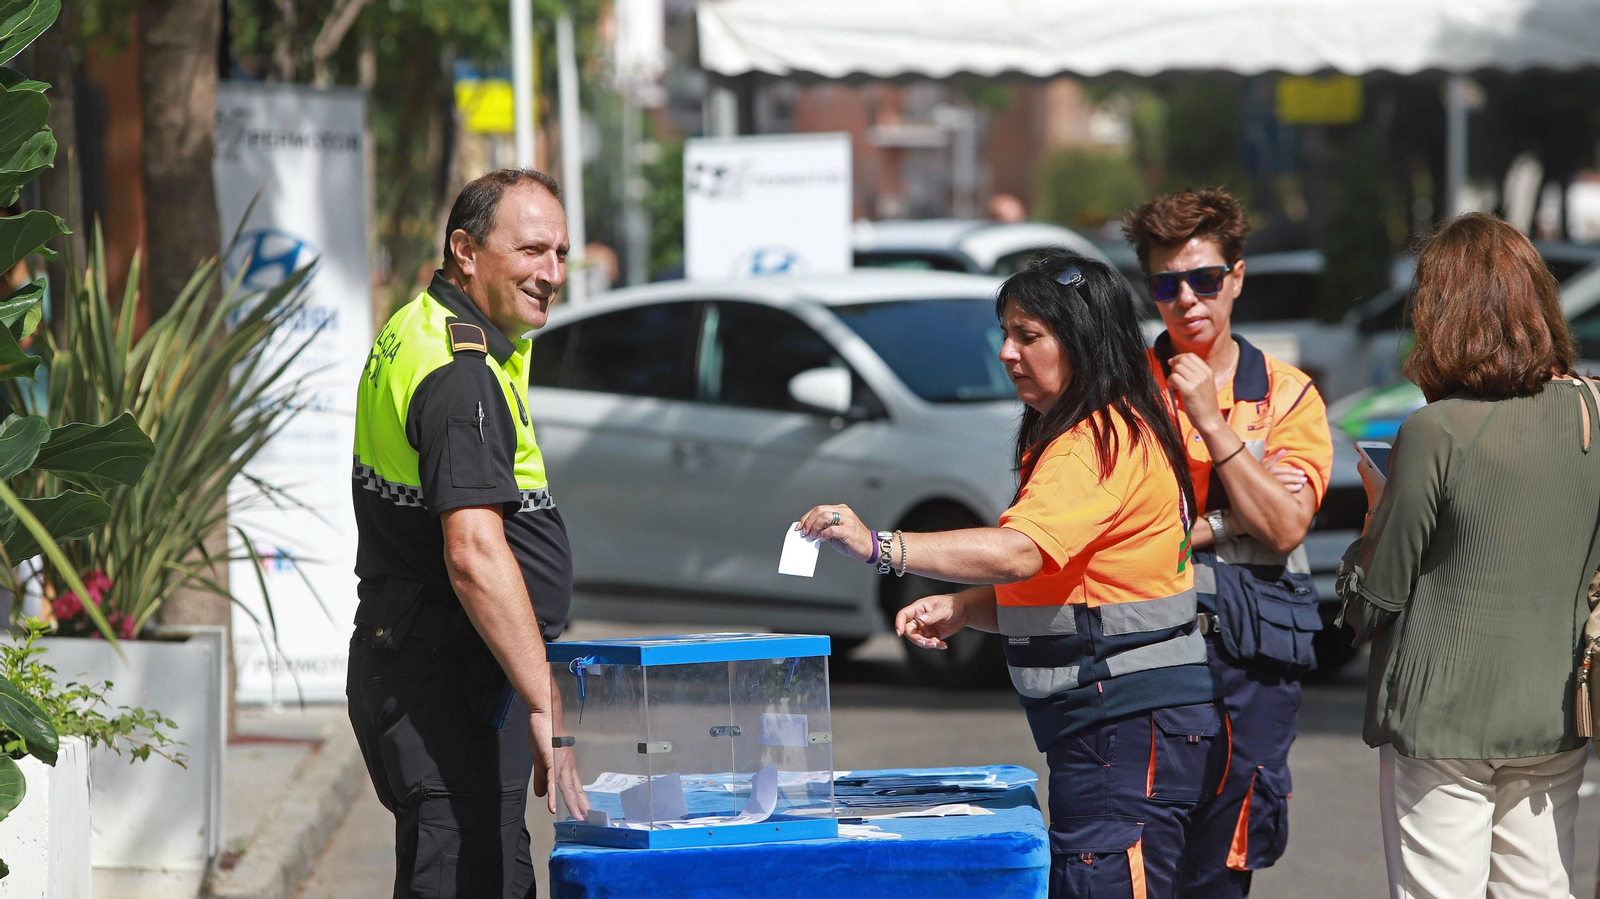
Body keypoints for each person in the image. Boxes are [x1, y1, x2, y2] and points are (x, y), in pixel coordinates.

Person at [798, 250, 1226, 899]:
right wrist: (972, 606)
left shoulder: (1095, 442)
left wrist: (882, 546)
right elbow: (1078, 584)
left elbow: (1023, 550)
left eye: (1029, 336)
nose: (1006, 352)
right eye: (1006, 333)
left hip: (1125, 731)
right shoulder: (1097, 431)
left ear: (1082, 342)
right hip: (1124, 730)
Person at [1335, 213, 1600, 899]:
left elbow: (1375, 598)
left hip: (1441, 715)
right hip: (1554, 705)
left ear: (1440, 314)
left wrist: (1375, 510)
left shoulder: (1433, 429)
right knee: (1540, 889)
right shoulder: (1592, 413)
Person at [348, 168, 589, 899]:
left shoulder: (428, 327)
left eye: (561, 253)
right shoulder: (460, 371)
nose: (551, 273)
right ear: (465, 250)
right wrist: (546, 701)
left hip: (434, 670)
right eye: (531, 251)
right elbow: (475, 552)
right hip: (443, 685)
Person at [1121, 188, 1333, 899]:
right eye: (1166, 284)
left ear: (1236, 277)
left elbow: (1283, 524)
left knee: (1221, 870)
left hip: (1252, 666)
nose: (1187, 299)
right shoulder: (1121, 393)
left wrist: (1213, 425)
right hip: (1143, 660)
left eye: (1205, 279)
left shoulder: (1286, 394)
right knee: (1140, 864)